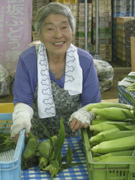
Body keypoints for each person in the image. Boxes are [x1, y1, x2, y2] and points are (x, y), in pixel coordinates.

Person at [11, 2, 101, 143]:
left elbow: (92, 103)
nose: (58, 35)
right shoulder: (27, 60)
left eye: (64, 27)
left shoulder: (85, 61)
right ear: (39, 35)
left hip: (75, 139)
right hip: (37, 139)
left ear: (72, 30)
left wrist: (85, 113)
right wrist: (21, 117)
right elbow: (23, 100)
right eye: (50, 29)